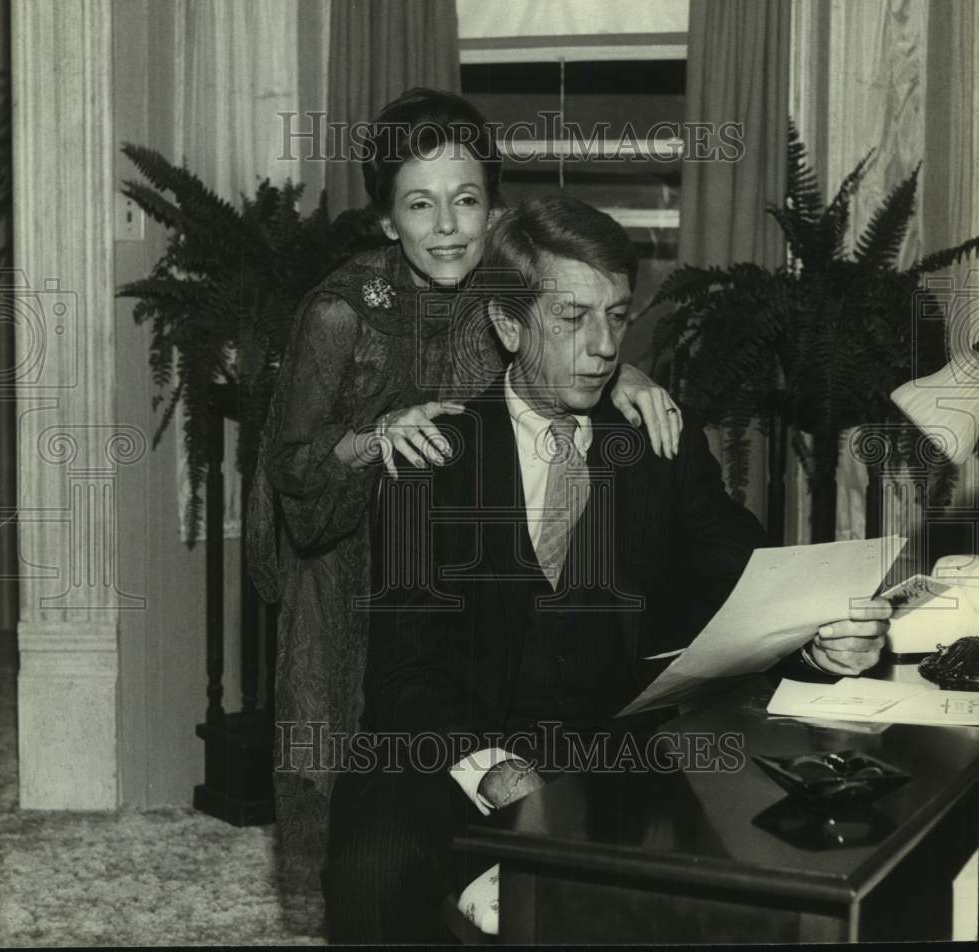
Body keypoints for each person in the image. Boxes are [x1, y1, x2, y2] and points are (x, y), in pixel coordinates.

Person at [324, 194, 893, 943]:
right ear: (506, 324)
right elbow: (401, 681)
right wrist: (495, 769)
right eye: (570, 318)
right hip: (449, 744)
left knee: (751, 861)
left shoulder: (656, 442)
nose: (601, 346)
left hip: (613, 749)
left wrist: (822, 636)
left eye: (617, 316)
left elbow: (752, 577)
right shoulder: (433, 459)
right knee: (375, 865)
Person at [245, 89, 685, 916]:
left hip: (456, 546)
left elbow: (566, 340)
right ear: (386, 220)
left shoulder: (507, 280)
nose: (446, 225)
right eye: (419, 203)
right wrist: (379, 434)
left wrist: (621, 372)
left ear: (494, 206)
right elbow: (294, 474)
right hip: (348, 560)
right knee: (375, 786)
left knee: (484, 727)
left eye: (467, 199)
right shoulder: (342, 313)